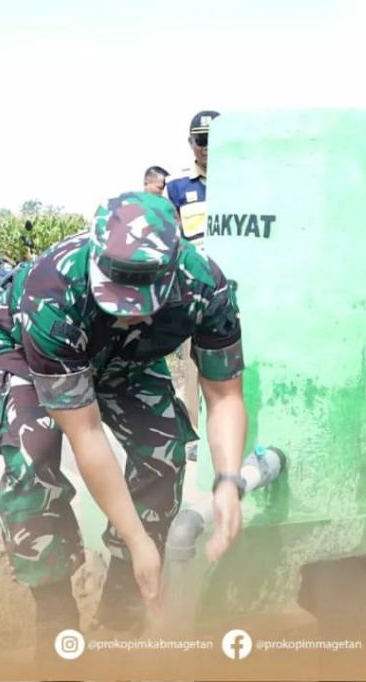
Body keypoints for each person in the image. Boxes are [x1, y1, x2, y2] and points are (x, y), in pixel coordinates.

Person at [0, 192, 247, 656]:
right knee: (33, 454)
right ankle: (57, 621)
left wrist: (227, 481)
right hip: (27, 351)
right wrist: (136, 536)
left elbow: (224, 393)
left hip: (128, 360)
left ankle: (125, 608)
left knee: (164, 449)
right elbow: (85, 431)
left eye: (143, 300)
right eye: (118, 299)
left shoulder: (205, 286)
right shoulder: (52, 288)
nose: (130, 311)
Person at [166, 109, 220, 461]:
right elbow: (172, 239)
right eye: (201, 140)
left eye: (214, 140)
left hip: (238, 283)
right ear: (191, 144)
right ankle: (196, 438)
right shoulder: (178, 187)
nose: (207, 148)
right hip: (198, 287)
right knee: (195, 363)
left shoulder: (247, 181)